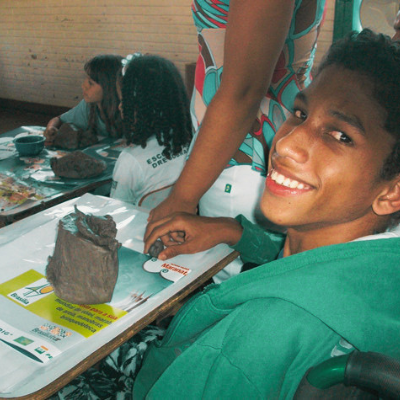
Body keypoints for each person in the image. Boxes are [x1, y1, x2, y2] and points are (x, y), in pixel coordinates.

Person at [50, 29, 400, 399]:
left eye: (340, 135)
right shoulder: (375, 264)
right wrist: (229, 231)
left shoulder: (258, 338)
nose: (285, 144)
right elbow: (308, 267)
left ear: (392, 191)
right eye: (300, 113)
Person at [148, 0, 327, 281]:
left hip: (244, 156)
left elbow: (243, 92)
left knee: (233, 294)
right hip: (241, 155)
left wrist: (182, 197)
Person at [110, 54, 193, 206]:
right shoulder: (194, 143)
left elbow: (117, 214)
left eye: (124, 101)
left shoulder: (130, 161)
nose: (120, 107)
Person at [44, 54, 123, 142]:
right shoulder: (88, 107)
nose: (83, 86)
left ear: (109, 88)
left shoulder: (127, 112)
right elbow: (58, 119)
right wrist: (51, 128)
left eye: (91, 83)